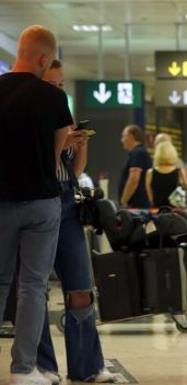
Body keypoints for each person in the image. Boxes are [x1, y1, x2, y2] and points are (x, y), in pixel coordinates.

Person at [35, 59, 122, 384]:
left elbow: (72, 169)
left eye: (61, 85)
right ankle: (44, 366)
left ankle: (86, 366)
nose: (58, 90)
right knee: (36, 291)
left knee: (81, 287)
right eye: (53, 84)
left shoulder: (63, 116)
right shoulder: (31, 117)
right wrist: (62, 145)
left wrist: (80, 146)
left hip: (68, 202)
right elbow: (37, 164)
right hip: (39, 201)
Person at [0, 25, 71, 385]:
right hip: (41, 203)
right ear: (44, 58)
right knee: (32, 286)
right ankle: (23, 370)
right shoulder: (54, 99)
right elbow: (56, 156)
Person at [145, 141, 187, 209]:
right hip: (176, 211)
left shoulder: (150, 172)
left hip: (158, 211)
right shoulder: (179, 172)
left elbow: (150, 198)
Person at [119, 124, 152, 209]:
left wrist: (123, 201)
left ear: (131, 136)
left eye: (123, 137)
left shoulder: (138, 153)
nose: (122, 140)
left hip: (137, 206)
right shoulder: (138, 153)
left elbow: (134, 179)